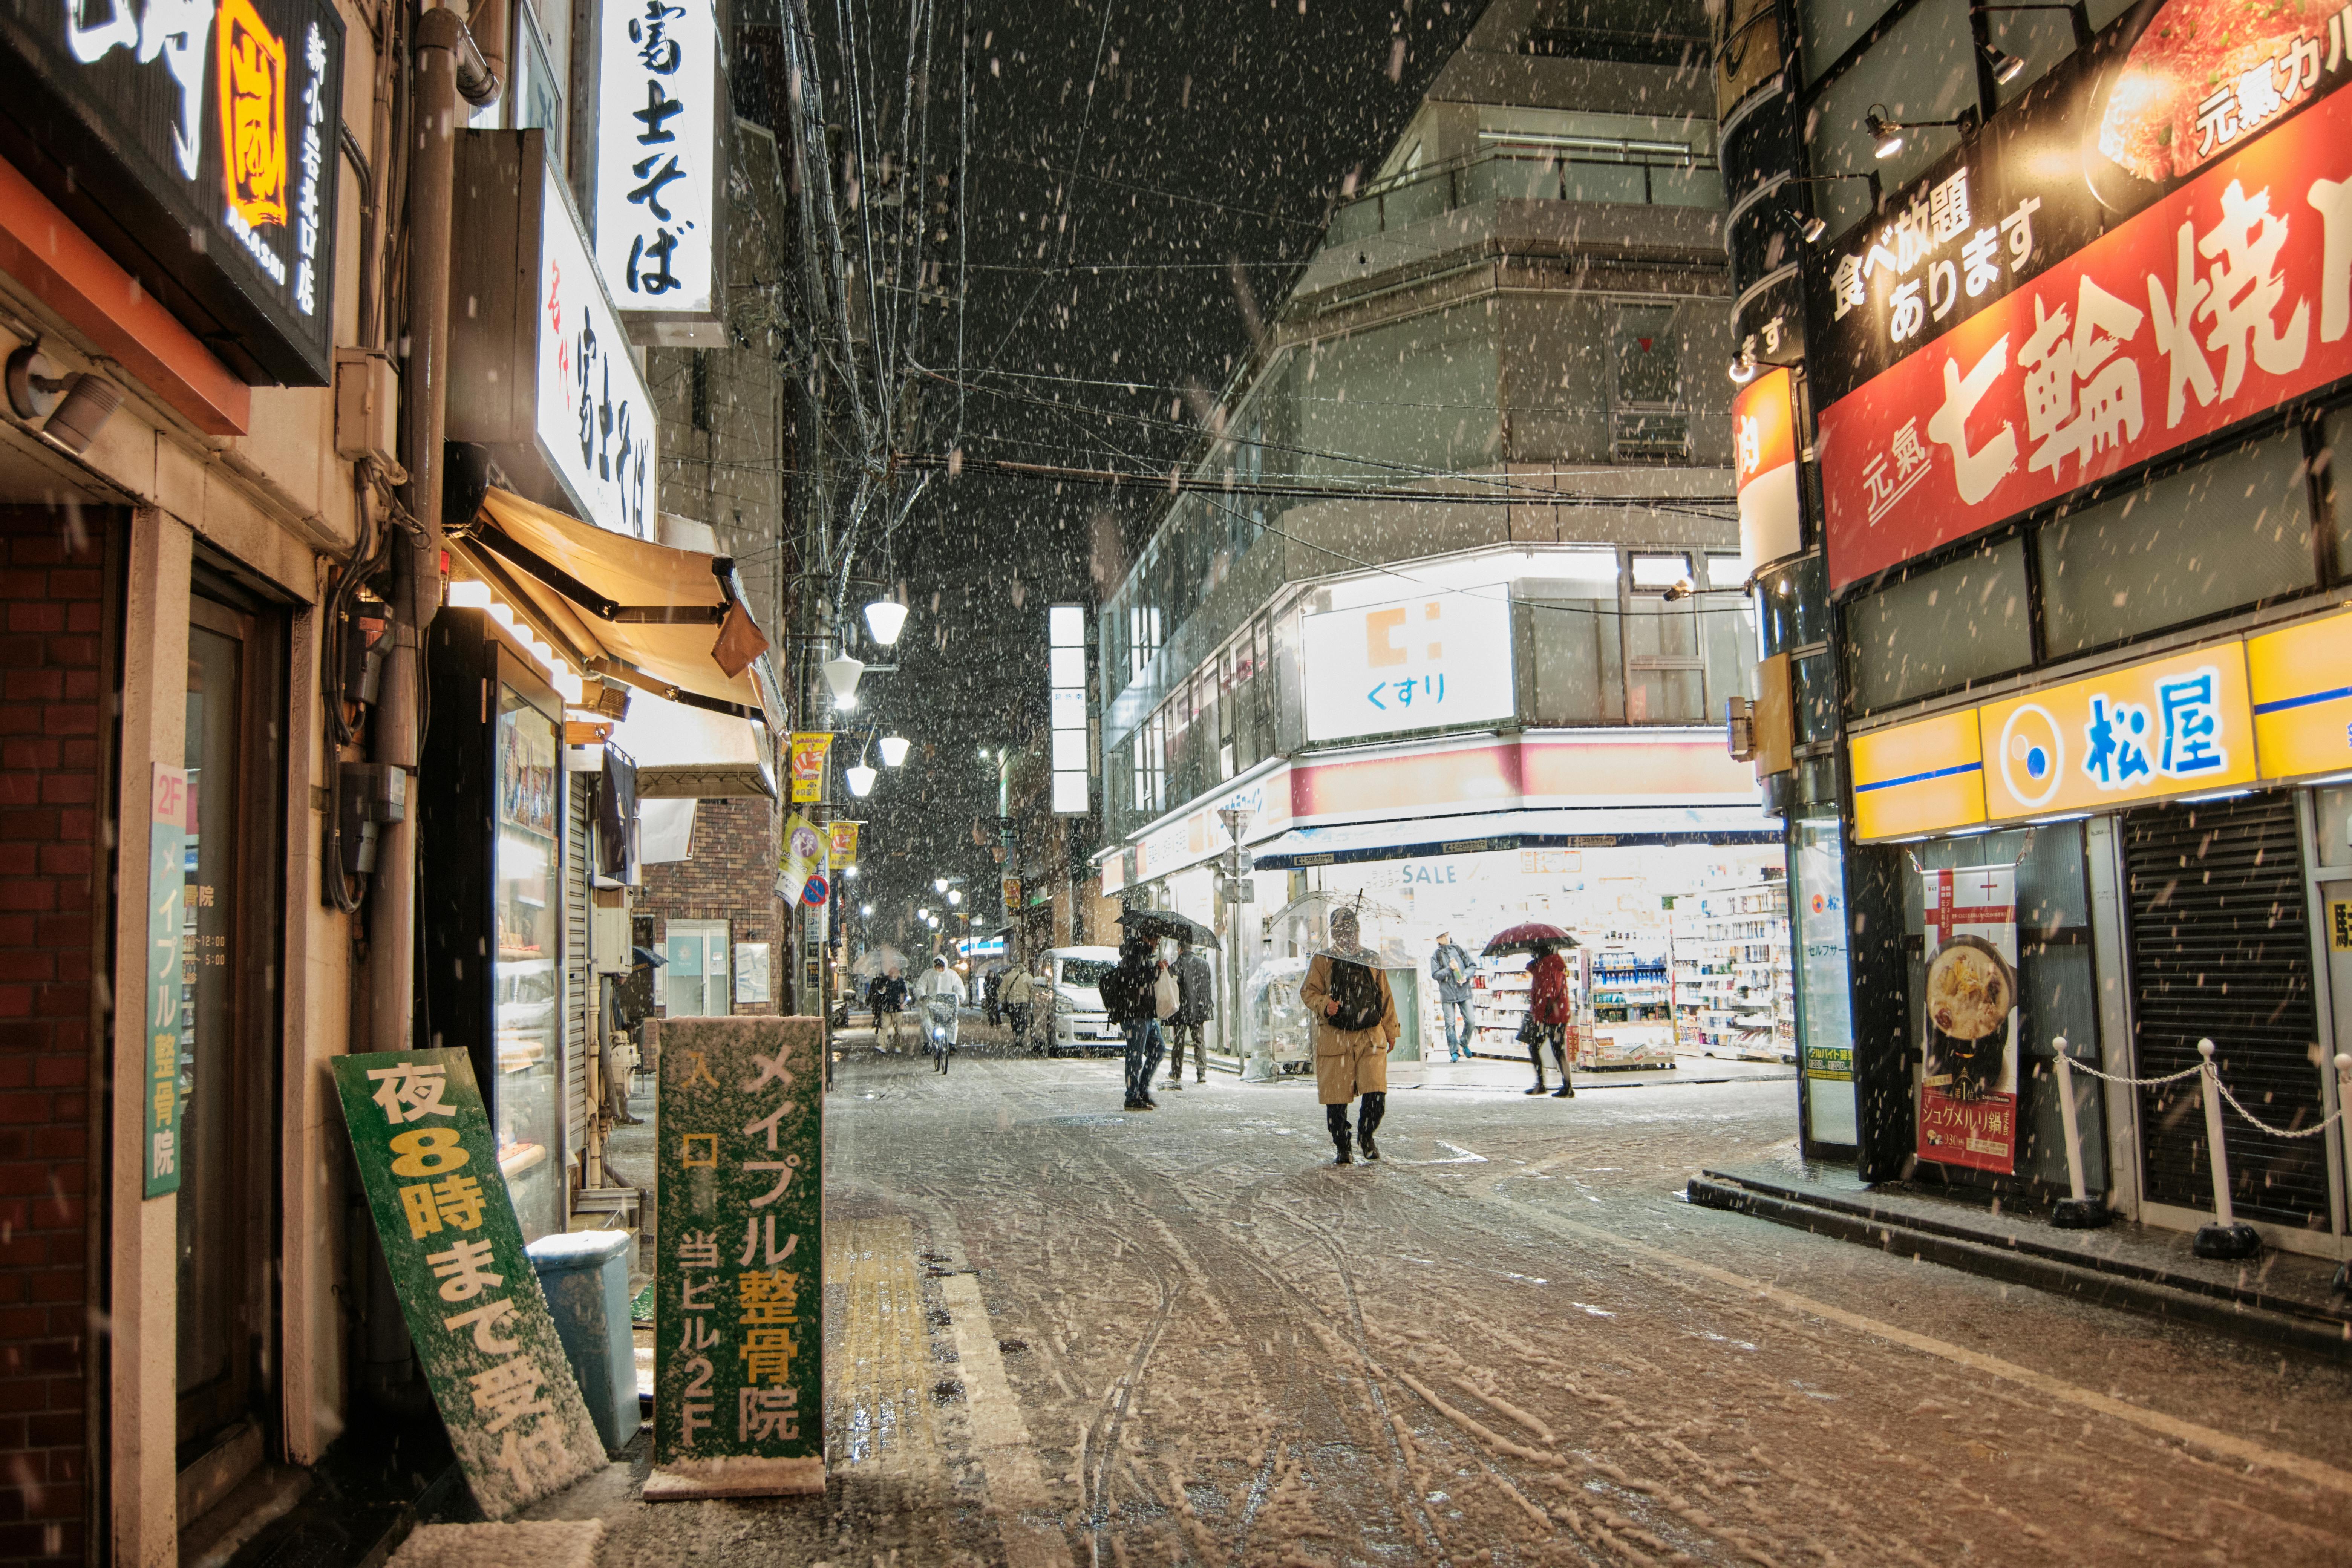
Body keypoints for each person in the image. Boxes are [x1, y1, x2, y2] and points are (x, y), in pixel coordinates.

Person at [1299, 908, 1399, 1164]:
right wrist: (1325, 1004)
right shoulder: (1323, 960)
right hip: (1336, 1038)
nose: (1347, 936)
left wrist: (1391, 1031)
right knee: (1336, 1100)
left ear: (1358, 931)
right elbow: (1308, 992)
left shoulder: (1372, 959)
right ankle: (1342, 1145)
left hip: (1370, 1037)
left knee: (1376, 1093)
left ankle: (1367, 1136)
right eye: (1342, 931)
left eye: (1351, 930)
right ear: (1333, 933)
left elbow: (1385, 997)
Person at [1102, 932, 1164, 1110]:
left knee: (1158, 1049)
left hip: (1146, 1013)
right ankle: (1132, 1097)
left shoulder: (1143, 956)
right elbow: (1135, 981)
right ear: (1146, 938)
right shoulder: (1133, 954)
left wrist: (1158, 970)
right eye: (1155, 940)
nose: (1157, 944)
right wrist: (1155, 971)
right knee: (1135, 1055)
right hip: (1135, 1013)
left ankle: (1142, 1090)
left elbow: (1145, 980)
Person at [1525, 944, 1576, 1098]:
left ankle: (1542, 1084)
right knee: (1558, 1050)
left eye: (1533, 951)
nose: (1532, 954)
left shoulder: (1545, 968)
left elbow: (1546, 996)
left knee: (1534, 1047)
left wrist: (1539, 1019)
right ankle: (1567, 1086)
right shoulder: (1555, 965)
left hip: (1549, 1017)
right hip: (1559, 1015)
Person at [1164, 937, 1214, 1089]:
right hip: (1198, 1009)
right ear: (1191, 948)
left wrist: (1166, 971)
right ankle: (1202, 1073)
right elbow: (1207, 986)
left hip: (1181, 1011)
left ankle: (1176, 1072)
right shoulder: (1204, 964)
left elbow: (1170, 988)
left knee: (1179, 1042)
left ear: (1180, 949)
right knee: (1199, 1041)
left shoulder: (1177, 965)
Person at [1428, 931, 1477, 1062]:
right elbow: (1435, 975)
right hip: (1447, 993)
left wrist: (1465, 976)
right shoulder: (1436, 955)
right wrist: (1449, 969)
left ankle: (1464, 1042)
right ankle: (1454, 1052)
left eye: (1446, 935)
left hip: (1464, 991)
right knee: (1450, 1024)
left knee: (1471, 1021)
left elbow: (1472, 966)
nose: (1446, 938)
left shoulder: (1460, 949)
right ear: (1438, 940)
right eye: (1442, 937)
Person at [913, 955, 966, 1073]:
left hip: (948, 1006)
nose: (939, 970)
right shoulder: (928, 975)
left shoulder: (952, 975)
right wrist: (922, 996)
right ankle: (927, 1043)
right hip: (931, 1005)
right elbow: (920, 987)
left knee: (953, 1023)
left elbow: (959, 987)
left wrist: (960, 996)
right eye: (937, 967)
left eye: (941, 967)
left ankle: (952, 1044)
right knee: (926, 1024)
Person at [870, 967, 909, 1052]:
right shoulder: (884, 981)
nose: (893, 975)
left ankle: (898, 1045)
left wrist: (903, 1004)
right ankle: (882, 1045)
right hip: (886, 1008)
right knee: (884, 1027)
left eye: (895, 973)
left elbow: (906, 995)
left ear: (898, 973)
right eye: (891, 973)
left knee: (898, 1029)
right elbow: (879, 994)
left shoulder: (901, 982)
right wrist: (881, 991)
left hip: (897, 1009)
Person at [1003, 962, 1037, 1052]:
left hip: (1011, 1002)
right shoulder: (1028, 977)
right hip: (1023, 1002)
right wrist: (1033, 1000)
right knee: (1022, 1021)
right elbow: (1033, 989)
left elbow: (1002, 990)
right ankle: (1020, 1037)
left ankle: (1016, 1036)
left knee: (1014, 1021)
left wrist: (1002, 1000)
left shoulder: (1007, 976)